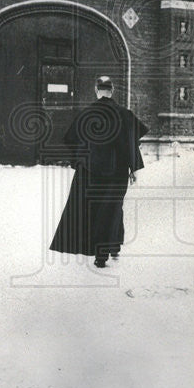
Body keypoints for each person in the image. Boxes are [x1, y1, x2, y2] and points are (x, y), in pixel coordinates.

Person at [49, 76, 148, 268]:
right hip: (117, 172)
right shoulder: (125, 114)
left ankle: (109, 248)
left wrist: (81, 158)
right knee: (112, 208)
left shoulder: (85, 114)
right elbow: (132, 143)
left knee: (95, 209)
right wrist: (134, 168)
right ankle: (109, 249)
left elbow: (70, 139)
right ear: (112, 91)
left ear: (97, 90)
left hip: (89, 172)